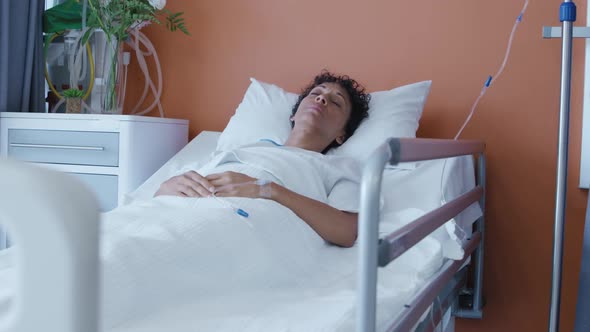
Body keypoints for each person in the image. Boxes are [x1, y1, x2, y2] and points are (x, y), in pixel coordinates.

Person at [155, 71, 371, 247]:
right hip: (169, 214)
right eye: (316, 93)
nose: (322, 98)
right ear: (293, 116)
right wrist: (165, 188)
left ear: (342, 135)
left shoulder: (341, 167)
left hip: (235, 225)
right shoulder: (244, 148)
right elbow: (170, 189)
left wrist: (268, 190)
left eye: (336, 102)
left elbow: (347, 231)